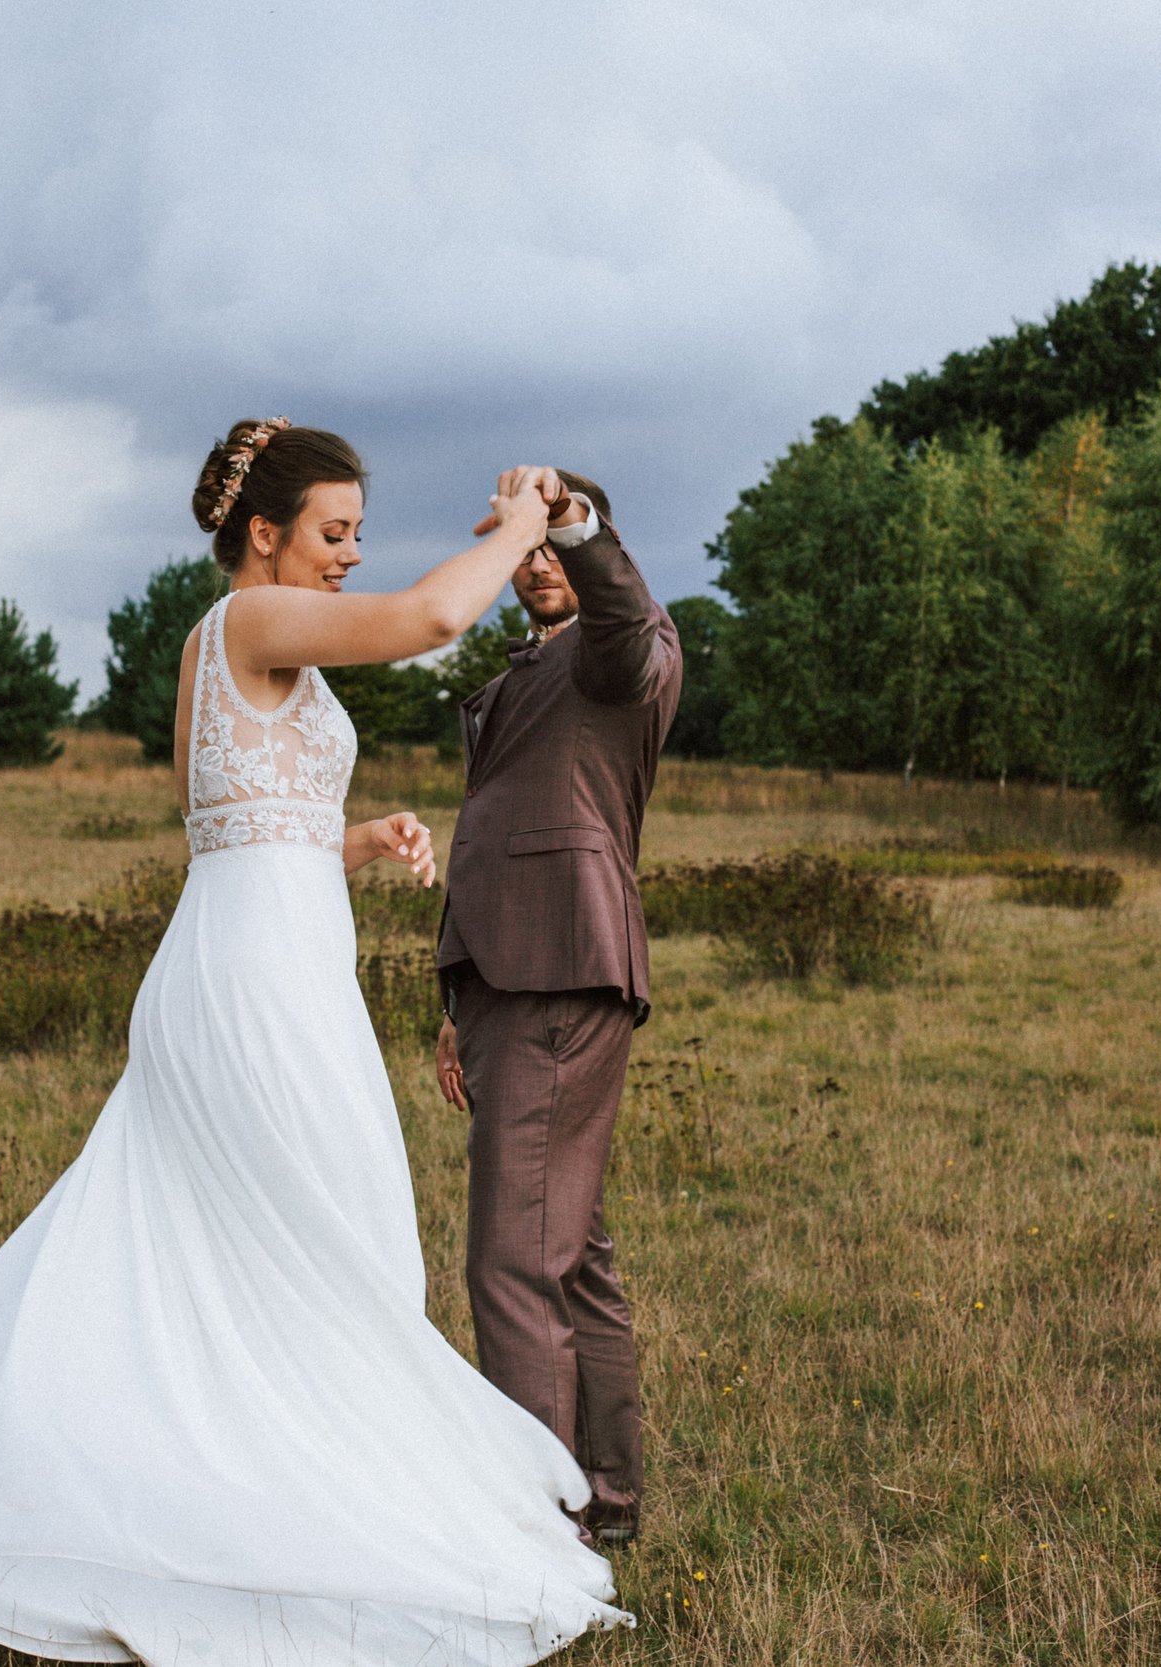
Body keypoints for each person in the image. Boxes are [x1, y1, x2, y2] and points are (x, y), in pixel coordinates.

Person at [0, 419, 631, 1667]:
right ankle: (266, 1514)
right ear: (264, 532)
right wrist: (516, 526)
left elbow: (234, 824)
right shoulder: (243, 622)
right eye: (334, 532)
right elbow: (432, 619)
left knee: (284, 1241)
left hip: (267, 960)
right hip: (253, 985)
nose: (349, 553)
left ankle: (267, 1492)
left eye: (357, 535)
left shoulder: (237, 648)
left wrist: (356, 838)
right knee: (325, 1242)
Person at [433, 472, 681, 1547]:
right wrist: (457, 1000)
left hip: (557, 975)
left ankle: (536, 1540)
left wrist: (569, 521)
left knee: (510, 1264)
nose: (529, 562)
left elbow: (620, 612)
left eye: (547, 544)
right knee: (569, 1254)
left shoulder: (625, 648)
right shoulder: (525, 669)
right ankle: (606, 1502)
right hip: (506, 977)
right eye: (517, 545)